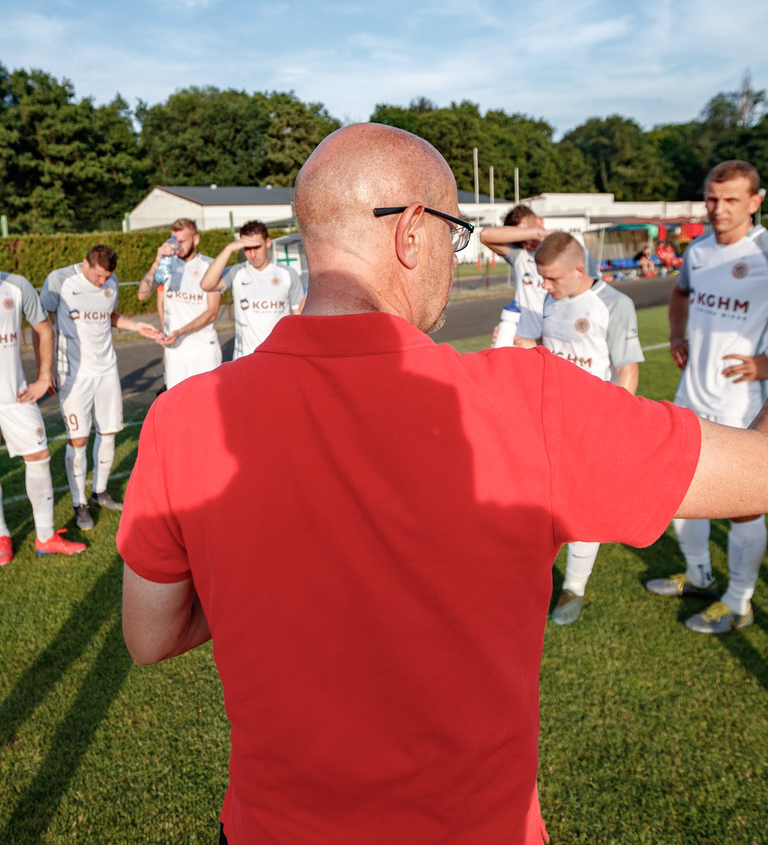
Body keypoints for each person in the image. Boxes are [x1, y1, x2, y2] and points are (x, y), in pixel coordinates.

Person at [118, 124, 768, 845]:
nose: (455, 263)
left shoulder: (182, 418)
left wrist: (268, 576)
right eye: (457, 238)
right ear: (413, 234)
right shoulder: (528, 402)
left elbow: (151, 635)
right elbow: (757, 477)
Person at [645, 159, 768, 633]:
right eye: (713, 198)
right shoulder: (696, 250)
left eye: (732, 199)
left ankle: (739, 600)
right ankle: (698, 574)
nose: (718, 208)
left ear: (755, 202)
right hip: (691, 391)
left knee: (743, 505)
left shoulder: (764, 252)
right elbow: (681, 295)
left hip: (743, 399)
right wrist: (677, 335)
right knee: (678, 490)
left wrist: (766, 363)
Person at [516, 232, 644, 624]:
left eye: (553, 278)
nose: (545, 286)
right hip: (546, 420)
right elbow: (529, 346)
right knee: (537, 505)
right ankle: (534, 577)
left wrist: (613, 425)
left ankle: (573, 587)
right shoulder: (547, 299)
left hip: (591, 427)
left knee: (584, 509)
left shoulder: (614, 304)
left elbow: (627, 369)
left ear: (578, 269)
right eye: (542, 278)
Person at [41, 245, 161, 530]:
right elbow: (41, 325)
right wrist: (44, 372)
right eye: (97, 276)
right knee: (79, 440)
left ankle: (100, 492)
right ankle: (79, 502)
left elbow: (109, 315)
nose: (101, 282)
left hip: (107, 369)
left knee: (108, 433)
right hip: (74, 374)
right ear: (85, 263)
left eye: (106, 276)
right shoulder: (60, 280)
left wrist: (136, 326)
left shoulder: (111, 281)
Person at [0, 271, 86, 559]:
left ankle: (45, 536)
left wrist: (43, 377)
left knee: (39, 456)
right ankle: (2, 538)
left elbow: (44, 330)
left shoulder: (16, 285)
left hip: (16, 397)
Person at [200, 220, 305, 359]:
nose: (253, 254)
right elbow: (207, 285)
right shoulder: (237, 272)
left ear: (268, 243)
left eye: (256, 247)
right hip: (245, 358)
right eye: (247, 248)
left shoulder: (287, 273)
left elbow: (298, 315)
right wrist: (229, 249)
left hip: (279, 357)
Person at [137, 218, 222, 389]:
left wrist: (180, 331)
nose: (177, 245)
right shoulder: (166, 265)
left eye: (182, 241)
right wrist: (156, 262)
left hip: (203, 349)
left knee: (207, 404)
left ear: (195, 239)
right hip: (175, 351)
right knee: (177, 406)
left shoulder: (209, 265)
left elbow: (212, 311)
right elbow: (143, 295)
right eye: (173, 240)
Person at [479, 206, 549, 335]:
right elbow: (485, 235)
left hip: (556, 341)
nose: (527, 242)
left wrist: (544, 236)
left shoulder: (565, 250)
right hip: (525, 339)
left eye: (528, 230)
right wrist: (536, 233)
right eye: (520, 238)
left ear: (539, 220)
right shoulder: (520, 254)